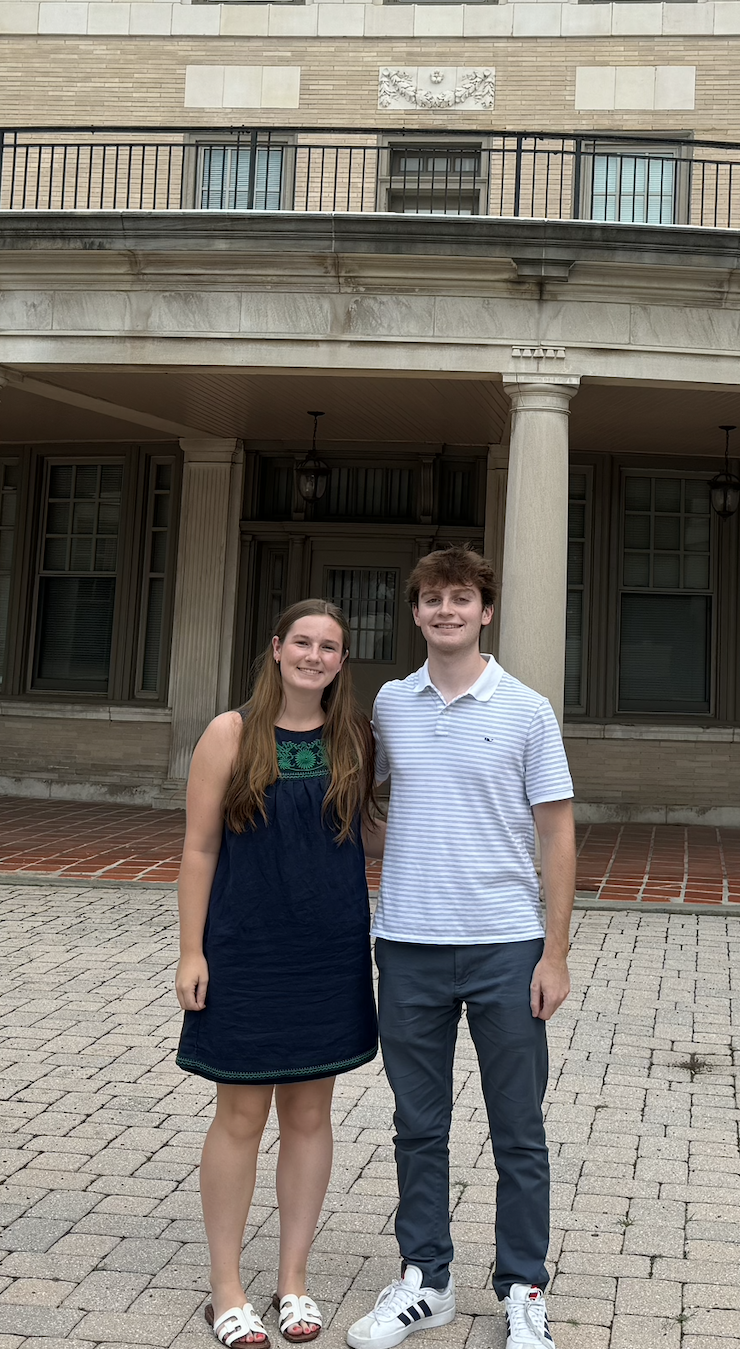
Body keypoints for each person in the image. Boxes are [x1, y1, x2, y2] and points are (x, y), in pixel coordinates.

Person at [346, 545, 576, 1349]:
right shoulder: (390, 704)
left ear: (486, 612)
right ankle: (426, 1280)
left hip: (506, 947)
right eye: (432, 599)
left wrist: (555, 952)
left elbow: (557, 835)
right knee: (418, 1122)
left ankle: (523, 1289)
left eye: (462, 598)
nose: (446, 610)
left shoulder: (527, 709)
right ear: (415, 613)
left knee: (518, 1128)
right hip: (406, 942)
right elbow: (366, 809)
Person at [177, 598, 379, 1348]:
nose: (315, 656)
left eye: (330, 646)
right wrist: (191, 951)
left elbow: (374, 832)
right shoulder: (230, 733)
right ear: (275, 649)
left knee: (309, 1116)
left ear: (341, 661)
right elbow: (199, 850)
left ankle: (292, 1281)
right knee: (240, 1115)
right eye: (303, 642)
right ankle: (225, 1288)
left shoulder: (355, 737)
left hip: (327, 952)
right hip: (247, 950)